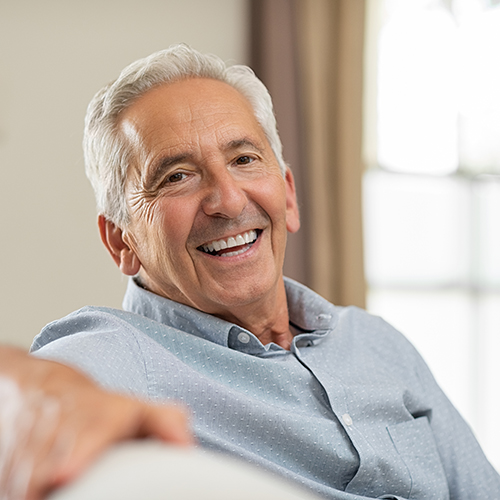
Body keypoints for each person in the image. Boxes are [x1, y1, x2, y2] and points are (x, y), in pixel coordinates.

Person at [2, 44, 499, 499]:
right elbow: (29, 389)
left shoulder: (377, 343)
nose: (228, 199)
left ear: (287, 195)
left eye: (243, 159)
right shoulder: (121, 353)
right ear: (122, 241)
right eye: (177, 176)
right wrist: (45, 394)